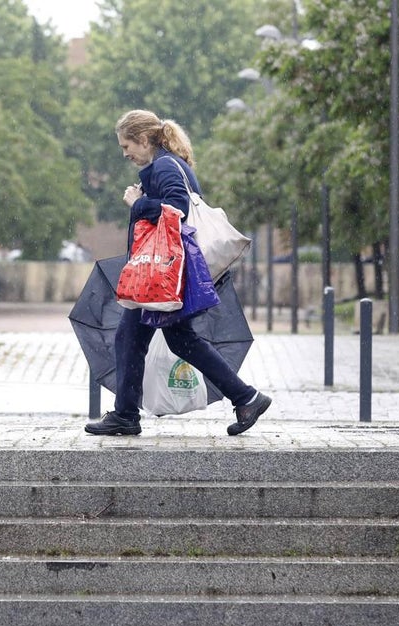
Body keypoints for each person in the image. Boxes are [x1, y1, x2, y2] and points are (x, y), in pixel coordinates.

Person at [85, 109, 271, 437]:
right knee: (162, 338)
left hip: (164, 271)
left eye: (127, 145)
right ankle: (245, 398)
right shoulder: (168, 164)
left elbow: (178, 208)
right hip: (167, 270)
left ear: (144, 139)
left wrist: (137, 204)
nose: (125, 153)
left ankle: (128, 415)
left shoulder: (165, 166)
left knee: (142, 337)